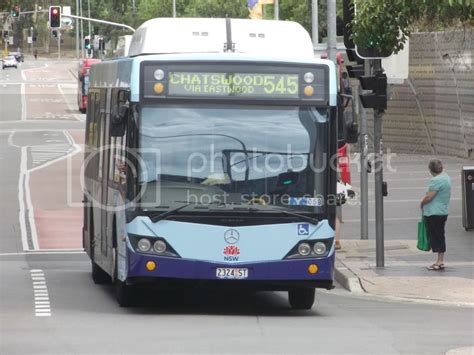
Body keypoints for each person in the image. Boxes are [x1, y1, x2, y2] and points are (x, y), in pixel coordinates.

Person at [420, 159, 451, 270]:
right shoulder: (446, 177)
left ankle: (439, 262)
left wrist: (422, 203)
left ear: (430, 169)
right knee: (439, 235)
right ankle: (439, 260)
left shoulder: (436, 180)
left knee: (436, 236)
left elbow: (429, 196)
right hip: (442, 211)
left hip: (434, 212)